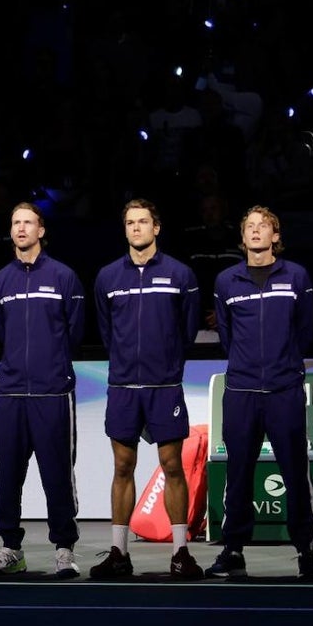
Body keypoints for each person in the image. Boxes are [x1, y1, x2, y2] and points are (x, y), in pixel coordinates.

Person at [90, 199, 204, 580]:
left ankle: (180, 554)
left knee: (173, 467)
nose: (136, 228)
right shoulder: (107, 277)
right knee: (123, 467)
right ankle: (119, 553)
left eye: (143, 222)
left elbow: (186, 331)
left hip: (164, 387)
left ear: (157, 228)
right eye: (129, 223)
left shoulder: (180, 274)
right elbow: (107, 331)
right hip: (123, 387)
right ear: (124, 230)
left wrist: (166, 363)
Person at [206, 206, 313, 579]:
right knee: (238, 473)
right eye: (250, 227)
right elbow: (226, 334)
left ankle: (305, 550)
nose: (256, 232)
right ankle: (234, 548)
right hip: (241, 391)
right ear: (242, 238)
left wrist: (285, 365)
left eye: (264, 226)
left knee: (294, 472)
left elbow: (304, 330)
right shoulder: (226, 281)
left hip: (284, 390)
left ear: (275, 235)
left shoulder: (296, 276)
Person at [0, 203, 85, 578]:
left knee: (57, 474)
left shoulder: (64, 278)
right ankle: (11, 548)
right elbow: (1, 332)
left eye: (28, 222)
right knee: (8, 474)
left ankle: (64, 549)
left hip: (52, 392)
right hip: (9, 393)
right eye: (15, 223)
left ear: (41, 230)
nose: (21, 228)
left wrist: (51, 368)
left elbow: (74, 332)